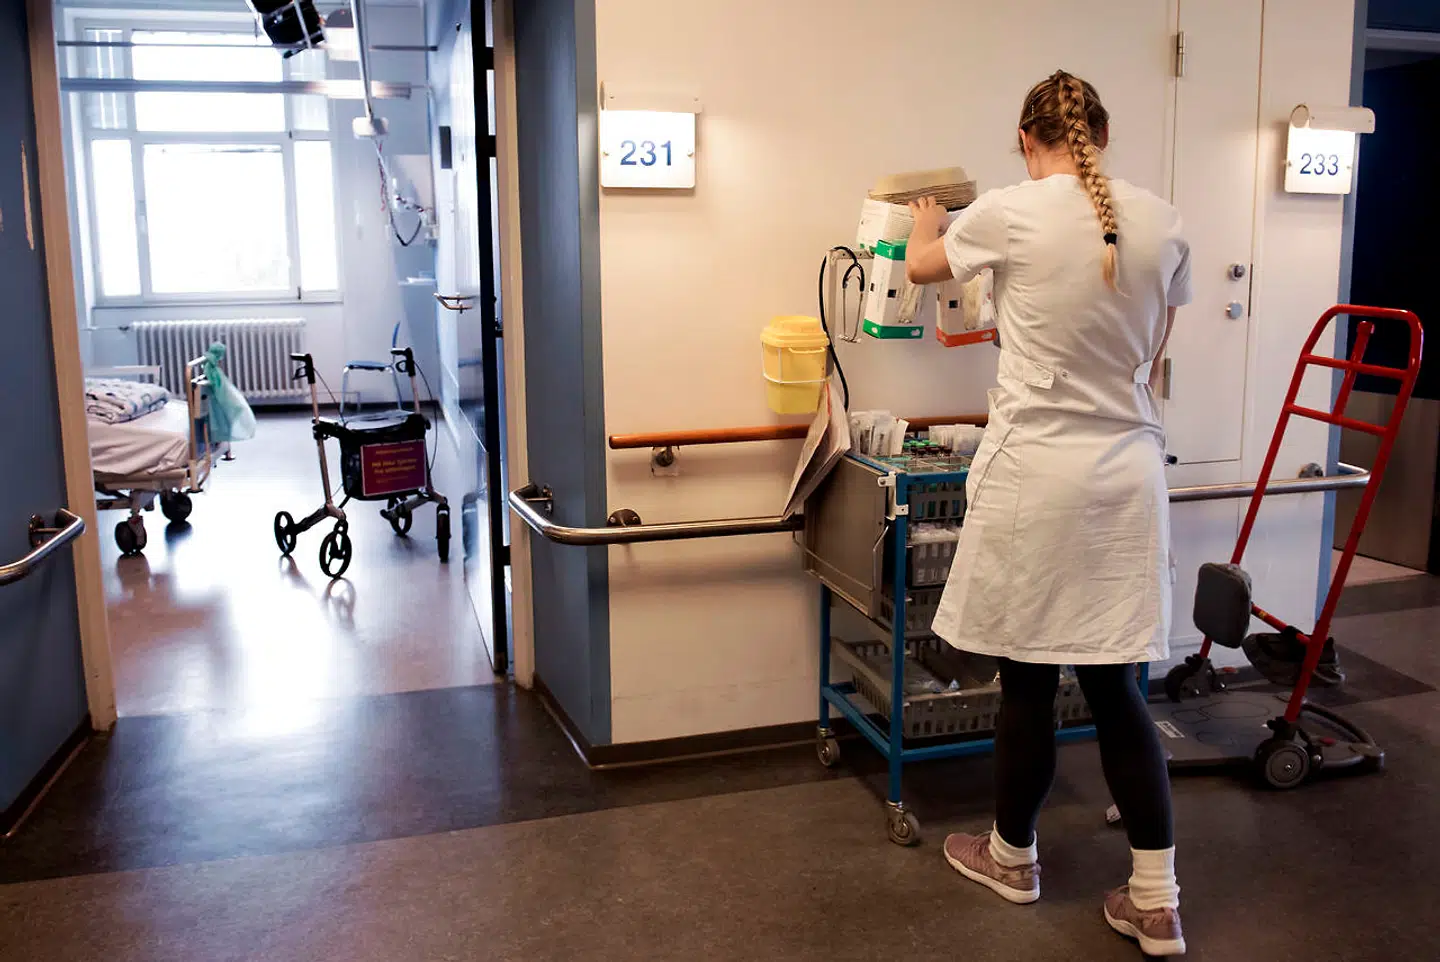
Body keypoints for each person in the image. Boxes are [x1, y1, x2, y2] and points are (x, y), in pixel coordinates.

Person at [904, 70, 1192, 956]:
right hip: (1127, 477)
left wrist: (924, 220)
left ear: (1029, 141)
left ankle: (1012, 858)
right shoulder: (1161, 222)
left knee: (1027, 682)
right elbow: (1150, 352)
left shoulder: (1008, 209)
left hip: (1038, 477)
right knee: (1116, 689)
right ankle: (1157, 900)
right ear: (1101, 135)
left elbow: (920, 269)